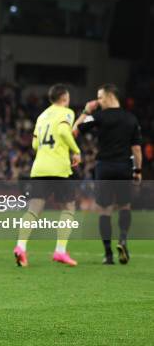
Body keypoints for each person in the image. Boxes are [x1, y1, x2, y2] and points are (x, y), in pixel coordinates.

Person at [13, 84, 82, 267]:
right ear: (65, 98)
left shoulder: (41, 116)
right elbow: (62, 131)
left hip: (39, 168)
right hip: (59, 168)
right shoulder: (66, 112)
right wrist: (75, 150)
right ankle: (60, 251)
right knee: (68, 208)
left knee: (33, 209)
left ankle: (20, 247)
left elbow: (35, 145)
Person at [74, 84, 142, 265]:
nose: (98, 101)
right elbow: (136, 149)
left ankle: (108, 254)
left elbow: (75, 130)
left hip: (104, 167)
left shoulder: (98, 116)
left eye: (100, 97)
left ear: (110, 96)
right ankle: (123, 239)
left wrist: (86, 111)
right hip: (124, 167)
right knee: (125, 206)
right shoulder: (131, 119)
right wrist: (137, 171)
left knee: (104, 209)